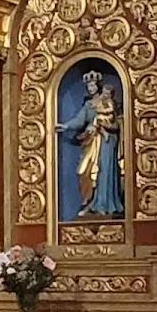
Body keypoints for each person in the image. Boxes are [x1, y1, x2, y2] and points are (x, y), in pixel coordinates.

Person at [57, 71, 124, 217]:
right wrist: (66, 126)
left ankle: (103, 205)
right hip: (90, 140)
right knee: (83, 171)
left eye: (93, 85)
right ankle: (89, 203)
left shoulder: (108, 101)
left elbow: (116, 122)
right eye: (88, 86)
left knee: (103, 171)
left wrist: (104, 126)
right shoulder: (88, 105)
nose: (91, 88)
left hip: (105, 141)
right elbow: (79, 120)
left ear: (98, 86)